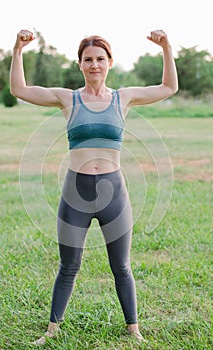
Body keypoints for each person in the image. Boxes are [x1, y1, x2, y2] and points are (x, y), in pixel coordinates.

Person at [10, 29, 178, 345]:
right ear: (80, 64)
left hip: (114, 191)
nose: (94, 65)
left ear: (109, 62)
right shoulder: (67, 98)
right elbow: (19, 89)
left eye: (100, 59)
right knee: (68, 266)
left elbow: (169, 86)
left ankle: (134, 330)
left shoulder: (123, 98)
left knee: (122, 267)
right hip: (76, 192)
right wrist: (18, 50)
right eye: (88, 60)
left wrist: (167, 47)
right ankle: (51, 332)